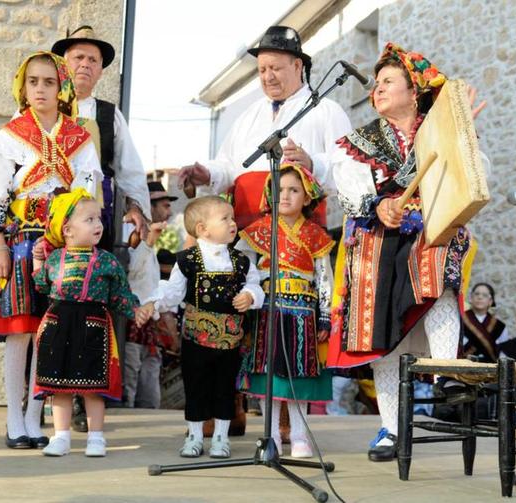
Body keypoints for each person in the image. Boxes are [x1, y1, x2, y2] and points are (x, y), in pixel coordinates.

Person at [324, 43, 487, 462]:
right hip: (377, 241)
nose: (377, 89)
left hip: (427, 231)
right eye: (375, 84)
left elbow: (474, 173)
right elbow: (351, 186)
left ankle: (449, 373)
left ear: (414, 92)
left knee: (437, 258)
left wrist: (462, 131)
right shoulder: (361, 141)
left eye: (387, 82)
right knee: (383, 337)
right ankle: (391, 430)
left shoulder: (442, 131)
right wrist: (378, 204)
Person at [0, 51, 101, 449]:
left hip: (61, 246)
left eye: (48, 82)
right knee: (20, 332)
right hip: (19, 243)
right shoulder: (10, 135)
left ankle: (36, 417)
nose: (40, 89)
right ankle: (14, 418)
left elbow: (87, 194)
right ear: (23, 86)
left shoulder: (79, 138)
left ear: (61, 87)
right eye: (33, 82)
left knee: (49, 331)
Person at [177, 25, 351, 230]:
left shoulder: (327, 111)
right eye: (262, 70)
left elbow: (348, 171)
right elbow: (229, 166)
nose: (268, 77)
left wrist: (312, 165)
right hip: (244, 234)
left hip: (298, 238)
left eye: (275, 68)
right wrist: (208, 174)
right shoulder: (248, 115)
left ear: (297, 66)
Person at [31, 189, 151, 457]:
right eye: (89, 219)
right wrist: (38, 261)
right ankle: (60, 436)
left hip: (92, 325)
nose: (98, 225)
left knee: (92, 387)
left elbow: (121, 295)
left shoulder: (107, 261)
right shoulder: (55, 259)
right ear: (68, 229)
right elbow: (41, 286)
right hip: (59, 324)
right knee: (58, 385)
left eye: (99, 219)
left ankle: (96, 437)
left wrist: (135, 310)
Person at [142, 196, 264, 458]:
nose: (233, 223)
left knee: (225, 388)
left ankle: (221, 437)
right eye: (225, 219)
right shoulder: (187, 260)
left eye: (233, 218)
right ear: (202, 229)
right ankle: (194, 436)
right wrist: (153, 302)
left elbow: (254, 284)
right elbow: (173, 292)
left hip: (229, 340)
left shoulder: (241, 261)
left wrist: (250, 296)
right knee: (196, 387)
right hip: (196, 339)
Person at [236, 163, 335, 458]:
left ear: (307, 197)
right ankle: (271, 438)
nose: (287, 196)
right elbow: (245, 271)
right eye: (280, 190)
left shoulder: (316, 236)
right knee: (267, 373)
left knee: (299, 376)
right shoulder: (258, 232)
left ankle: (300, 435)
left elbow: (324, 278)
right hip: (266, 311)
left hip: (303, 312)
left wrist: (326, 315)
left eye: (294, 190)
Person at [52, 25, 151, 250]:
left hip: (93, 224)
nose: (85, 64)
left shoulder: (110, 115)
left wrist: (135, 207)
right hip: (44, 219)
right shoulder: (39, 107)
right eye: (78, 57)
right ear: (63, 65)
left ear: (100, 72)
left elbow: (130, 168)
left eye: (93, 60)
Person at [123, 181, 178, 408]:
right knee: (130, 378)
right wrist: (148, 241)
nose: (169, 211)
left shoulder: (148, 240)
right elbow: (131, 272)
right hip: (130, 320)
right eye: (164, 205)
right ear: (150, 206)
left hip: (150, 323)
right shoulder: (128, 231)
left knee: (149, 381)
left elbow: (153, 285)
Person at [462, 282, 509, 362]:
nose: (480, 297)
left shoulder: (499, 326)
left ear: (490, 301)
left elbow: (503, 353)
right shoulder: (460, 320)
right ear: (471, 298)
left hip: (490, 370)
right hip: (464, 367)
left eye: (484, 295)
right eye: (477, 294)